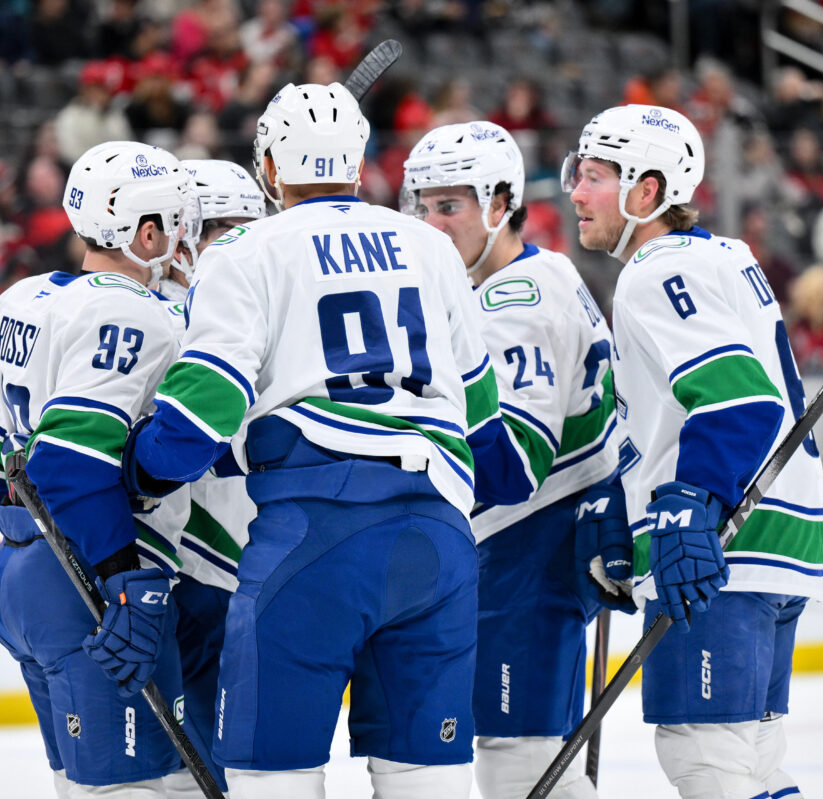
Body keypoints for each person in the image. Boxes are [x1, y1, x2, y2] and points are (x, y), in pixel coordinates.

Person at [124, 82, 528, 798]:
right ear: (359, 158)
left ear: (270, 166)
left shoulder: (247, 250)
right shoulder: (429, 248)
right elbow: (485, 418)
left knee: (270, 779)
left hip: (313, 536)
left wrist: (140, 473)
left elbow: (202, 412)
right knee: (425, 780)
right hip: (437, 539)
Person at [563, 104, 823, 799]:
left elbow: (739, 401)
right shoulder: (723, 253)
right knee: (753, 764)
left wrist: (685, 505)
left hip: (722, 549)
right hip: (780, 539)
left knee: (705, 761)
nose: (575, 192)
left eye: (593, 177)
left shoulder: (655, 272)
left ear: (646, 191)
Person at [0, 141, 201, 797]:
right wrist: (123, 579)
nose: (178, 236)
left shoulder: (23, 298)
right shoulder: (133, 313)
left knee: (84, 787)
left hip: (20, 578)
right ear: (146, 230)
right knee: (139, 790)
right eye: (172, 221)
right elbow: (67, 462)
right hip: (90, 582)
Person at [402, 121, 628, 799]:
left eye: (452, 206)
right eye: (424, 206)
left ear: (501, 206)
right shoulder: (516, 283)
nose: (432, 225)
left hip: (533, 543)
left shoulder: (518, 299)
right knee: (528, 760)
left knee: (517, 763)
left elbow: (508, 468)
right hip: (538, 541)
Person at [160, 157, 267, 797]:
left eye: (240, 226)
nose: (228, 243)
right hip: (191, 571)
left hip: (239, 570)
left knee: (210, 768)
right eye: (214, 227)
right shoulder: (166, 317)